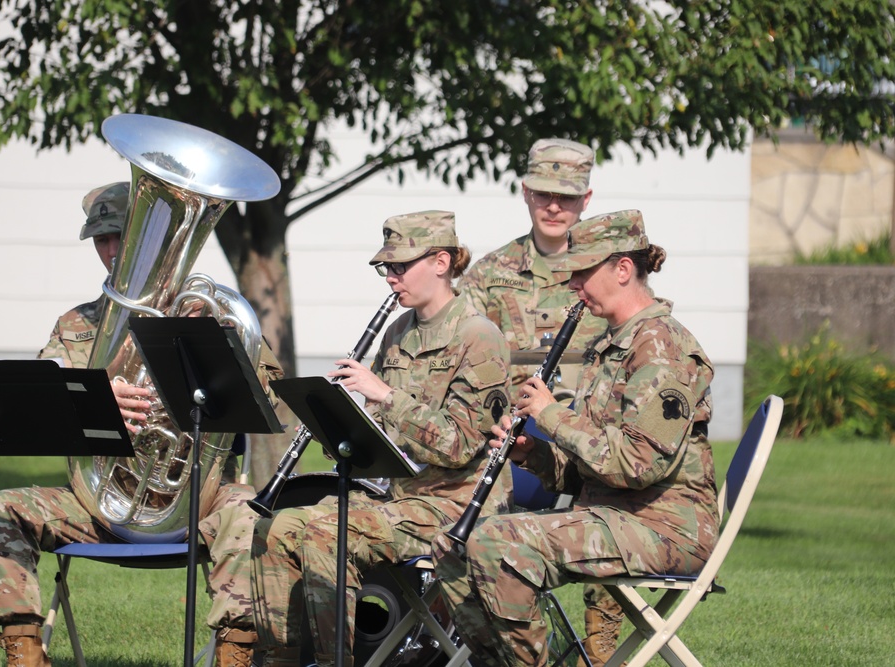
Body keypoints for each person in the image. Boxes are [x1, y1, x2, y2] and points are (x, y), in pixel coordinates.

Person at [0, 183, 283, 667]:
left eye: (121, 237)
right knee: (1, 508)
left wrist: (226, 358)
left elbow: (270, 404)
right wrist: (96, 395)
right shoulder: (75, 325)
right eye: (100, 240)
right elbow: (35, 405)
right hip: (97, 503)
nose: (109, 252)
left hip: (195, 502)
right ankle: (24, 650)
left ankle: (235, 653)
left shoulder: (203, 314)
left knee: (251, 510)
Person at [432, 209, 719, 667]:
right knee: (452, 545)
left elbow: (636, 465)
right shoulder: (613, 344)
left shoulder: (663, 349)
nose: (572, 285)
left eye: (583, 272)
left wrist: (552, 415)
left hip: (665, 526)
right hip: (613, 512)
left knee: (500, 543)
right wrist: (534, 455)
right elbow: (590, 469)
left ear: (623, 269)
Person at [250, 210, 512, 667]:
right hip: (399, 498)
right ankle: (279, 660)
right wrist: (339, 422)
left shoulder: (479, 337)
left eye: (400, 266)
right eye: (385, 268)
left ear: (441, 262)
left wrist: (384, 395)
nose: (390, 278)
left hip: (456, 507)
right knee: (275, 527)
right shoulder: (398, 332)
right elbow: (382, 435)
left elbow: (459, 445)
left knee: (324, 533)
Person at [457, 138, 622, 665]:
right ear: (526, 192)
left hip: (590, 433)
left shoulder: (607, 272)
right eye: (545, 194)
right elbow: (466, 362)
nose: (556, 207)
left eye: (568, 197)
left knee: (613, 497)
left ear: (587, 199)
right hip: (516, 435)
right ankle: (475, 639)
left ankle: (600, 649)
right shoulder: (490, 273)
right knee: (452, 494)